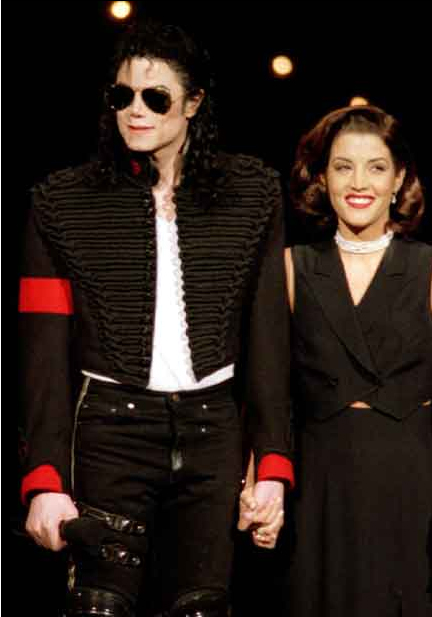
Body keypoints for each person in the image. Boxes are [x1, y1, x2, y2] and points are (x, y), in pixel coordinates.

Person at [19, 20, 293, 617]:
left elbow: (269, 337)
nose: (135, 110)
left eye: (156, 97)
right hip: (109, 431)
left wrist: (271, 463)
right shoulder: (62, 202)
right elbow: (42, 355)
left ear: (193, 103)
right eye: (122, 96)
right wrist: (44, 478)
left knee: (201, 608)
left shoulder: (252, 194)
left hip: (213, 432)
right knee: (99, 607)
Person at [242, 105, 432, 616]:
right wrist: (259, 485)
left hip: (408, 488)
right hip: (316, 492)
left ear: (398, 179)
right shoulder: (292, 268)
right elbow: (269, 392)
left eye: (376, 167)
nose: (358, 182)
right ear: (322, 177)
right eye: (343, 166)